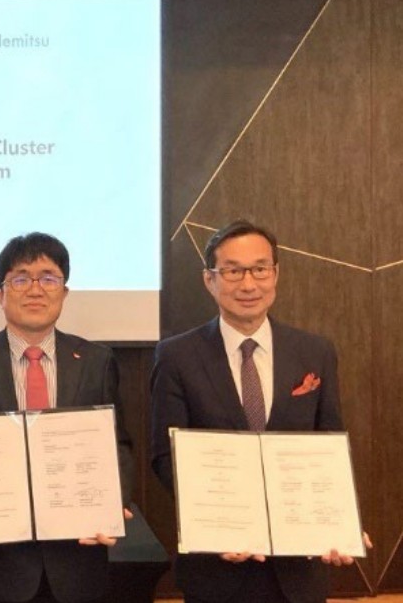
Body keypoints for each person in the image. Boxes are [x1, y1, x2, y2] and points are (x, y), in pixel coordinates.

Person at [150, 219, 366, 603]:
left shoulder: (315, 352)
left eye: (259, 269)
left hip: (299, 568)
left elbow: (330, 445)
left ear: (275, 273)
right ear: (209, 280)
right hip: (216, 568)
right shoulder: (176, 356)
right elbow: (166, 456)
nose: (248, 284)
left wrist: (339, 521)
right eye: (232, 271)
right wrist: (213, 524)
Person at [0, 232, 134, 603]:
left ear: (65, 291)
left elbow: (118, 445)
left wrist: (112, 503)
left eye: (48, 278)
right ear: (0, 294)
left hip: (78, 561)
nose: (35, 289)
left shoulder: (96, 361)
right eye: (21, 278)